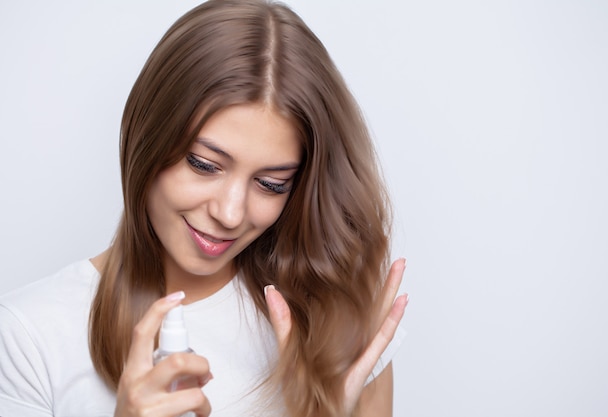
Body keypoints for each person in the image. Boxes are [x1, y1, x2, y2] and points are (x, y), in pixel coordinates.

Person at [0, 0, 408, 416]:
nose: (230, 214)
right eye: (203, 165)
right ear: (147, 136)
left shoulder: (336, 319)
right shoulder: (28, 335)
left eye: (271, 184)